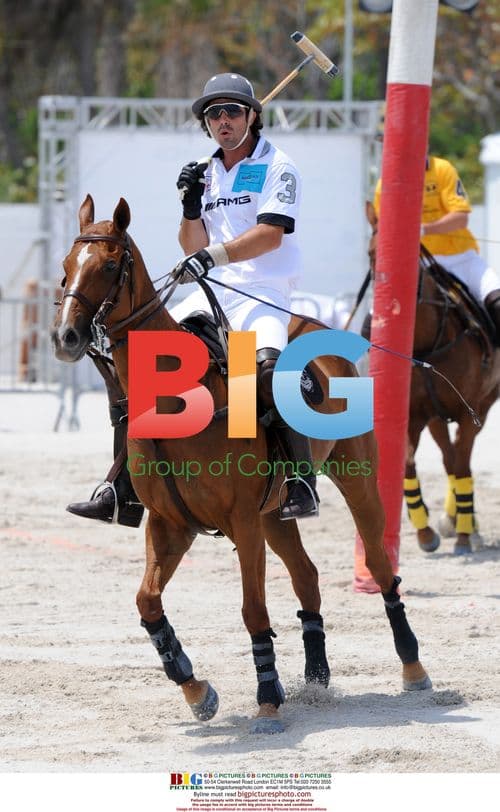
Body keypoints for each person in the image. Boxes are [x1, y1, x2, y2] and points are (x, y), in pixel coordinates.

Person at [67, 72, 319, 526]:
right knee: (141, 366)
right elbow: (191, 243)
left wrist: (214, 254)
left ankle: (301, 480)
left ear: (252, 116)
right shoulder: (205, 171)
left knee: (261, 370)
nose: (223, 120)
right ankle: (121, 488)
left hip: (262, 293)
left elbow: (270, 235)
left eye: (232, 111)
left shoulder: (279, 165)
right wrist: (190, 204)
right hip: (211, 290)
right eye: (214, 113)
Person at [374, 154, 500, 339]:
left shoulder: (442, 169)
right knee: (371, 325)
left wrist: (424, 230)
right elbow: (383, 227)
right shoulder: (385, 183)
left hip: (461, 258)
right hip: (420, 265)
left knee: (497, 301)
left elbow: (460, 218)